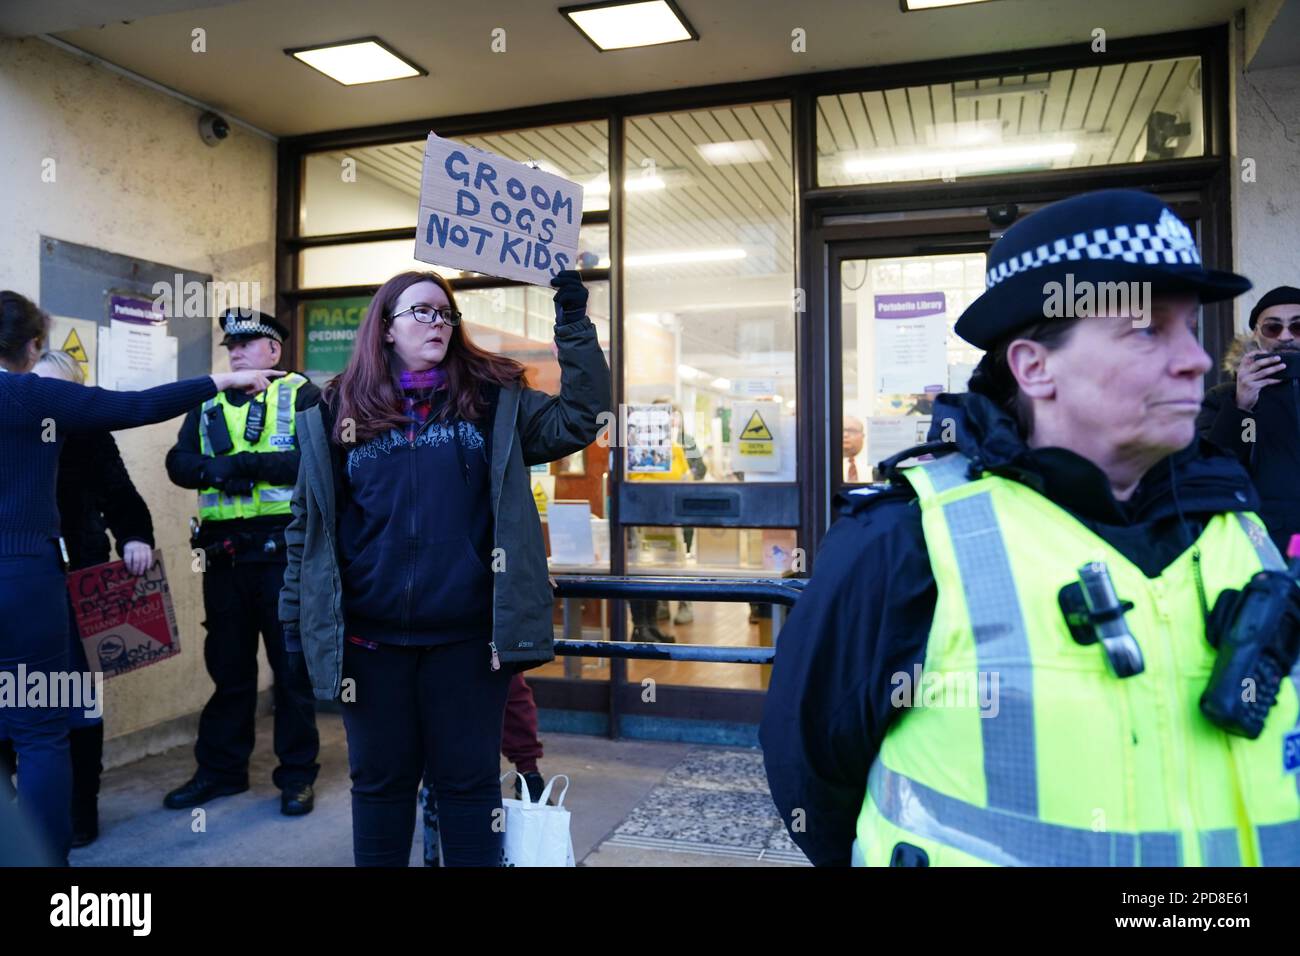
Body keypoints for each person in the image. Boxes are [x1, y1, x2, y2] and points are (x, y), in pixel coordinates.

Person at [761, 190, 1300, 867]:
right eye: (1145, 329)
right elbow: (814, 775)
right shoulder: (906, 543)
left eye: (1191, 327)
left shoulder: (1240, 528)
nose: (1194, 358)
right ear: (1034, 366)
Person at [279, 269, 610, 866]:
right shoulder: (333, 412)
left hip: (466, 642)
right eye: (422, 312)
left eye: (445, 313)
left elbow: (582, 417)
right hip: (369, 643)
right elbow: (307, 525)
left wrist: (571, 312)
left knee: (468, 789)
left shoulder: (491, 403)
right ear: (385, 328)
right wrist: (294, 626)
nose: (437, 322)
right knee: (379, 789)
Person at [0, 289, 281, 864]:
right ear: (31, 345)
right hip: (25, 580)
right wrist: (220, 382)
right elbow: (133, 407)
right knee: (41, 731)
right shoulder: (30, 395)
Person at [162, 310, 321, 816]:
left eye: (248, 344)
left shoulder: (301, 394)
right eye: (231, 344)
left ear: (274, 352)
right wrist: (216, 470)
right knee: (229, 670)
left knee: (291, 671)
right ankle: (221, 771)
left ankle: (296, 777)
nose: (235, 352)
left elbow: (315, 460)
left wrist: (247, 465)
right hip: (224, 556)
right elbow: (178, 463)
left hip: (283, 554)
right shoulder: (208, 397)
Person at [1197, 285, 1300, 554]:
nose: (1286, 336)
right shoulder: (1224, 398)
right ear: (1257, 335)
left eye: (1298, 326)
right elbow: (1212, 470)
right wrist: (1242, 408)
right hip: (1263, 545)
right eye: (1272, 328)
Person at [627, 399, 707, 640]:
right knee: (644, 567)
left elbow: (693, 472)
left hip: (673, 514)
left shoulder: (683, 443)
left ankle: (674, 610)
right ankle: (644, 626)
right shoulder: (636, 444)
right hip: (644, 514)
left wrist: (686, 479)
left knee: (674, 564)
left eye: (672, 415)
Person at [842, 415, 865, 483]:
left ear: (862, 436)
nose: (845, 435)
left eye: (851, 431)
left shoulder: (873, 465)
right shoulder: (825, 465)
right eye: (841, 430)